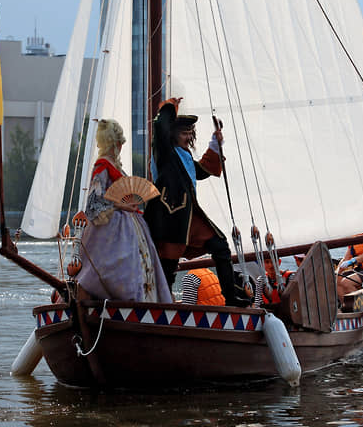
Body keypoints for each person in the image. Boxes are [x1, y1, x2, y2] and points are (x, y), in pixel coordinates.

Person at [143, 98, 249, 306]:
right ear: (172, 134)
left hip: (189, 219)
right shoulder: (164, 153)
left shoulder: (183, 155)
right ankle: (161, 305)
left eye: (191, 133)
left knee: (220, 246)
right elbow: (159, 126)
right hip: (168, 220)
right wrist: (168, 107)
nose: (189, 136)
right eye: (184, 133)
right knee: (168, 265)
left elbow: (201, 170)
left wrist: (214, 143)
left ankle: (230, 297)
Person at [70, 119, 173, 303]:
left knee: (138, 260)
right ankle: (126, 300)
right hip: (113, 227)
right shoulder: (102, 167)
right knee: (120, 262)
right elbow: (93, 204)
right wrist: (119, 205)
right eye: (120, 144)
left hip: (129, 224)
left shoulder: (114, 167)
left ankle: (144, 299)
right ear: (116, 144)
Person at [181, 268, 255, 306]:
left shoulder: (190, 277)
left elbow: (187, 307)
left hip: (206, 320)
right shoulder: (209, 271)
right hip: (221, 314)